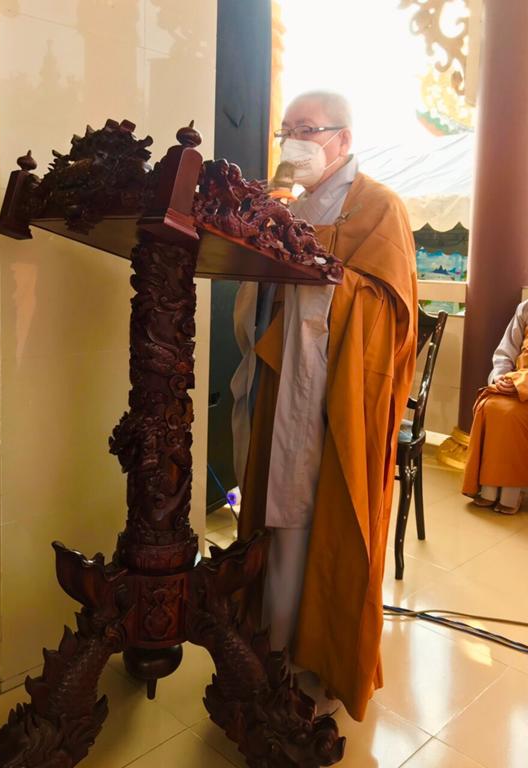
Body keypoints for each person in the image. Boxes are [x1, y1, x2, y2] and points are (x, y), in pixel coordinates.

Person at [230, 91, 418, 721]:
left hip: (339, 392)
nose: (293, 142)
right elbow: (259, 293)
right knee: (273, 509)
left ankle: (320, 656)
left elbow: (391, 312)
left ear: (343, 138)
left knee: (328, 515)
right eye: (286, 129)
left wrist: (317, 275)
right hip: (282, 381)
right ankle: (269, 638)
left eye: (307, 129)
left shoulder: (379, 206)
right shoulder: (284, 204)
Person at [463, 299, 528, 514]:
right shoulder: (525, 308)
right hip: (514, 385)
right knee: (489, 405)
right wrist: (501, 378)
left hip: (523, 386)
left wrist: (522, 383)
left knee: (510, 414)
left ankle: (512, 493)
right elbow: (505, 352)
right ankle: (488, 490)